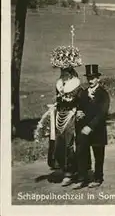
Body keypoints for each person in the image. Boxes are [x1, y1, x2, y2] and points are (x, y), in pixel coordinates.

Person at [35, 45, 83, 183]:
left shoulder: (76, 84)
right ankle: (62, 167)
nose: (63, 73)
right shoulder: (59, 84)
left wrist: (76, 110)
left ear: (71, 71)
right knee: (59, 142)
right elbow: (58, 99)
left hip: (71, 115)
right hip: (59, 115)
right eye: (62, 71)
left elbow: (78, 101)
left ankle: (71, 171)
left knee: (69, 143)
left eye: (66, 71)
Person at [73, 64, 110, 189]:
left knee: (98, 155)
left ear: (98, 79)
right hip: (83, 129)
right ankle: (82, 178)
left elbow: (102, 113)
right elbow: (79, 106)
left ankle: (98, 177)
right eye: (89, 78)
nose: (90, 80)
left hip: (97, 129)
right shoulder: (83, 93)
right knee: (81, 153)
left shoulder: (103, 94)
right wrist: (78, 112)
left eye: (93, 78)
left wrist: (91, 126)